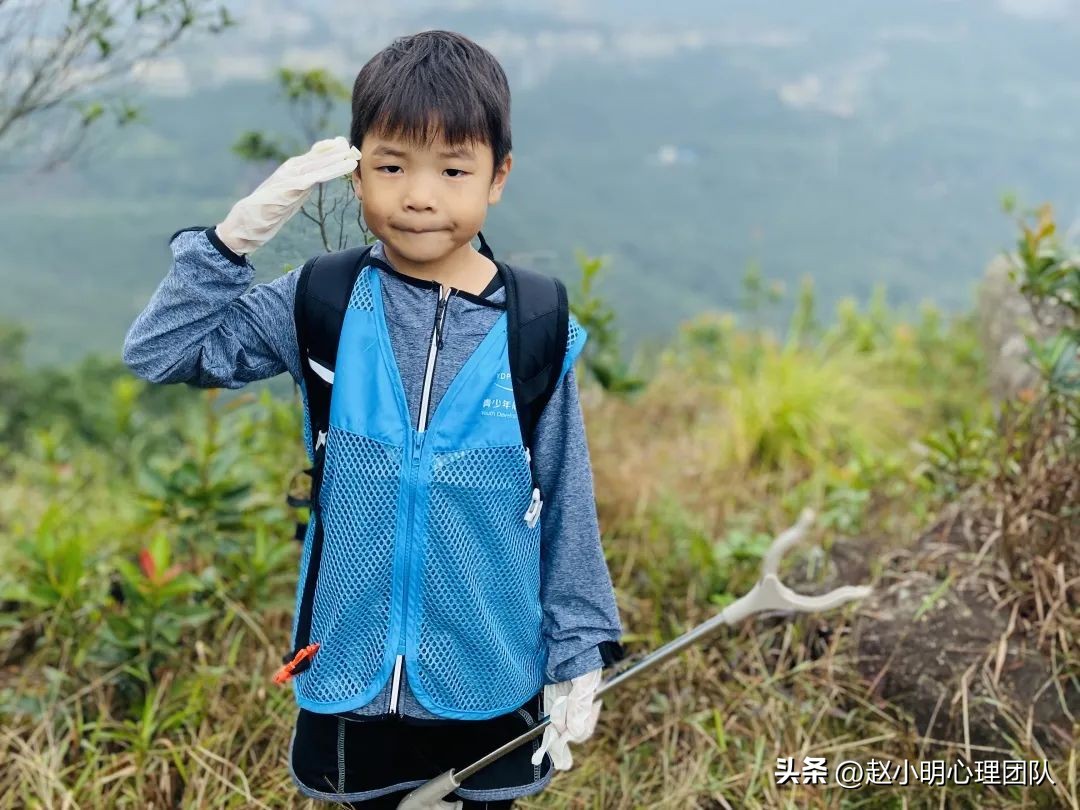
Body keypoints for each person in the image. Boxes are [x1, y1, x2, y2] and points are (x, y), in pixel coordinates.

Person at [122, 29, 624, 809]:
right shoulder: (321, 300)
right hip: (349, 680)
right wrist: (231, 240)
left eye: (453, 169)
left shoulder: (534, 322)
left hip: (488, 679)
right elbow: (161, 351)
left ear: (498, 176)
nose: (419, 196)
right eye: (391, 167)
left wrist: (579, 650)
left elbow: (565, 499)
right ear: (356, 173)